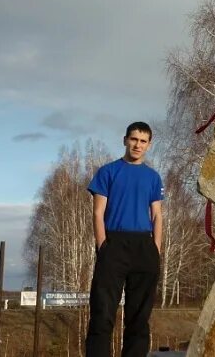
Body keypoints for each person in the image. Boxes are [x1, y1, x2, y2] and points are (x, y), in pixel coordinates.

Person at [85, 121, 164, 357]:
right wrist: (103, 246)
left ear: (149, 145)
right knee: (102, 313)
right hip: (114, 245)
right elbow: (98, 212)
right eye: (133, 139)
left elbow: (157, 215)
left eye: (143, 141)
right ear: (125, 140)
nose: (137, 145)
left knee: (139, 318)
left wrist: (156, 249)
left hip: (144, 247)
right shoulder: (107, 172)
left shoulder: (153, 177)